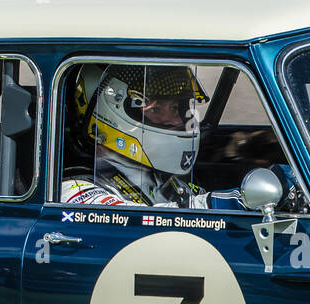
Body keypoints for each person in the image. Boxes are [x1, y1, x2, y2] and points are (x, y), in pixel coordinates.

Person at [60, 63, 246, 209]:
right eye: (155, 109)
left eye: (174, 108)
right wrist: (214, 204)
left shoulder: (163, 178)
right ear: (110, 113)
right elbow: (131, 224)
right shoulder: (77, 190)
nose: (175, 121)